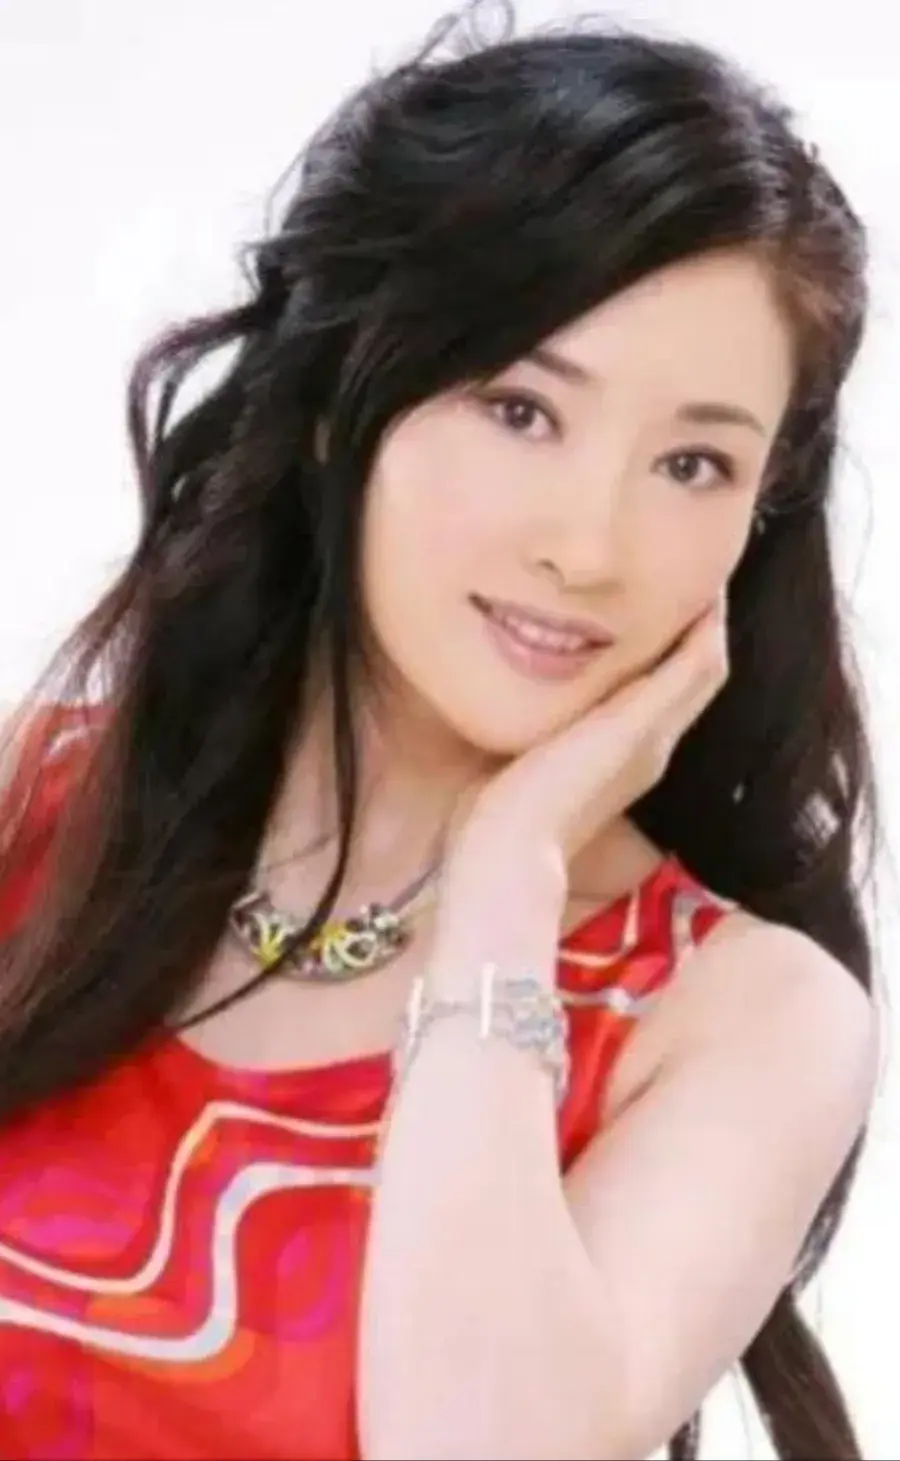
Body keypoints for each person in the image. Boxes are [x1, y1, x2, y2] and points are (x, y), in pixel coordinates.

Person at [0, 3, 883, 1457]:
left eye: (691, 463)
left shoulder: (745, 1018)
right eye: (521, 409)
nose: (587, 548)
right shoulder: (40, 805)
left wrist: (506, 882)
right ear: (341, 396)